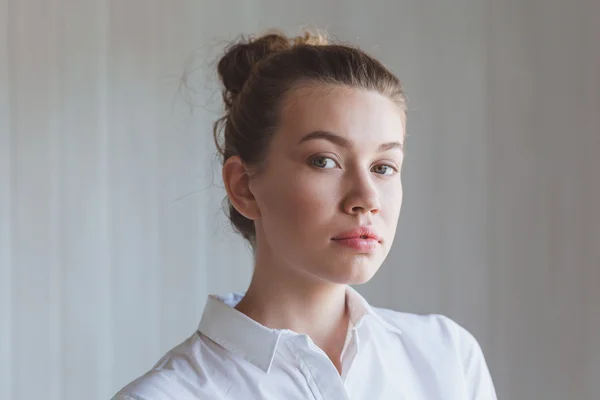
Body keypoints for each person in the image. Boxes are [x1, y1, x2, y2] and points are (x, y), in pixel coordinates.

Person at [113, 29, 497, 400]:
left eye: (383, 167)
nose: (365, 198)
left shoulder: (447, 358)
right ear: (244, 186)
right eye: (324, 161)